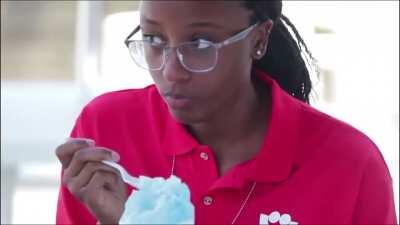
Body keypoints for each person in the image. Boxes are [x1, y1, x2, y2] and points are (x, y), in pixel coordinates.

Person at [55, 1, 397, 224]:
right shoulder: (106, 133)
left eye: (201, 44)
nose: (171, 71)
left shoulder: (350, 165)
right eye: (154, 40)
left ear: (259, 38)